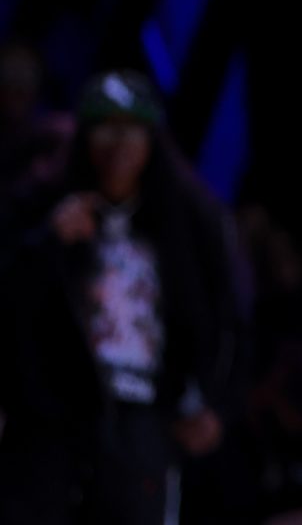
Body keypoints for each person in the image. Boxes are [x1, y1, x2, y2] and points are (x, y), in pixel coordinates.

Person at [0, 69, 238, 525]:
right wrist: (48, 243)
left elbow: (224, 320)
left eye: (132, 130)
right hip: (54, 414)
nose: (118, 145)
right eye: (104, 128)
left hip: (145, 418)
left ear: (151, 141)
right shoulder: (42, 209)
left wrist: (214, 403)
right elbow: (10, 307)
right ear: (84, 136)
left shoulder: (187, 227)